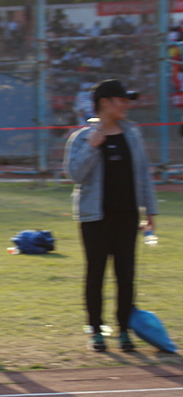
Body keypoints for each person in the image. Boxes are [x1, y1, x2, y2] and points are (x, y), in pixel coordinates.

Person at [64, 79, 157, 352]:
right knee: (96, 274)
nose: (126, 105)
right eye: (121, 100)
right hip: (95, 218)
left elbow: (143, 174)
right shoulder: (81, 137)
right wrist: (92, 146)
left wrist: (150, 211)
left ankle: (124, 330)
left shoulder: (133, 135)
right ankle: (96, 330)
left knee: (126, 274)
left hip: (127, 216)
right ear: (105, 103)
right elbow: (75, 175)